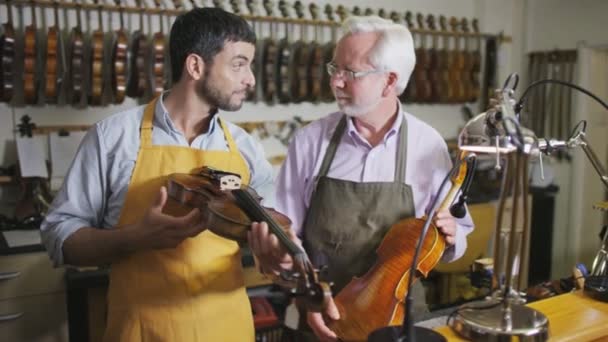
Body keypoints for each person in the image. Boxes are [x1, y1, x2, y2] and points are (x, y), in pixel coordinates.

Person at [40, 8, 275, 342]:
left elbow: (275, 226)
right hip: (142, 331)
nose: (250, 78)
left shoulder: (245, 147)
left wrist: (278, 251)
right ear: (195, 66)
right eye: (239, 64)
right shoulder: (113, 138)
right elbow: (59, 238)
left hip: (229, 329)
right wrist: (135, 238)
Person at [249, 15, 474, 341]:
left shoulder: (428, 145)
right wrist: (279, 254)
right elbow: (284, 229)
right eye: (334, 69)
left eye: (349, 73)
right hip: (315, 320)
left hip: (397, 324)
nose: (335, 81)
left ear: (389, 81)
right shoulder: (311, 141)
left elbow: (458, 233)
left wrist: (451, 236)